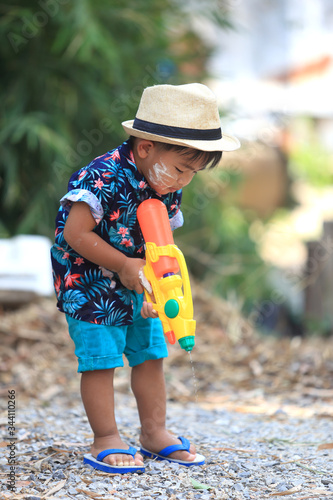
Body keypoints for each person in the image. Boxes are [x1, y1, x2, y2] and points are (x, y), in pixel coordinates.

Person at [51, 83, 240, 474]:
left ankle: (154, 432)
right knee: (101, 360)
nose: (184, 181)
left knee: (152, 355)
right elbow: (76, 235)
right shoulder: (102, 177)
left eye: (194, 173)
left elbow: (161, 236)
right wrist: (122, 265)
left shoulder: (165, 181)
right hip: (91, 284)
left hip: (143, 281)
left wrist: (164, 278)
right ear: (145, 148)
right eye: (181, 169)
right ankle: (105, 437)